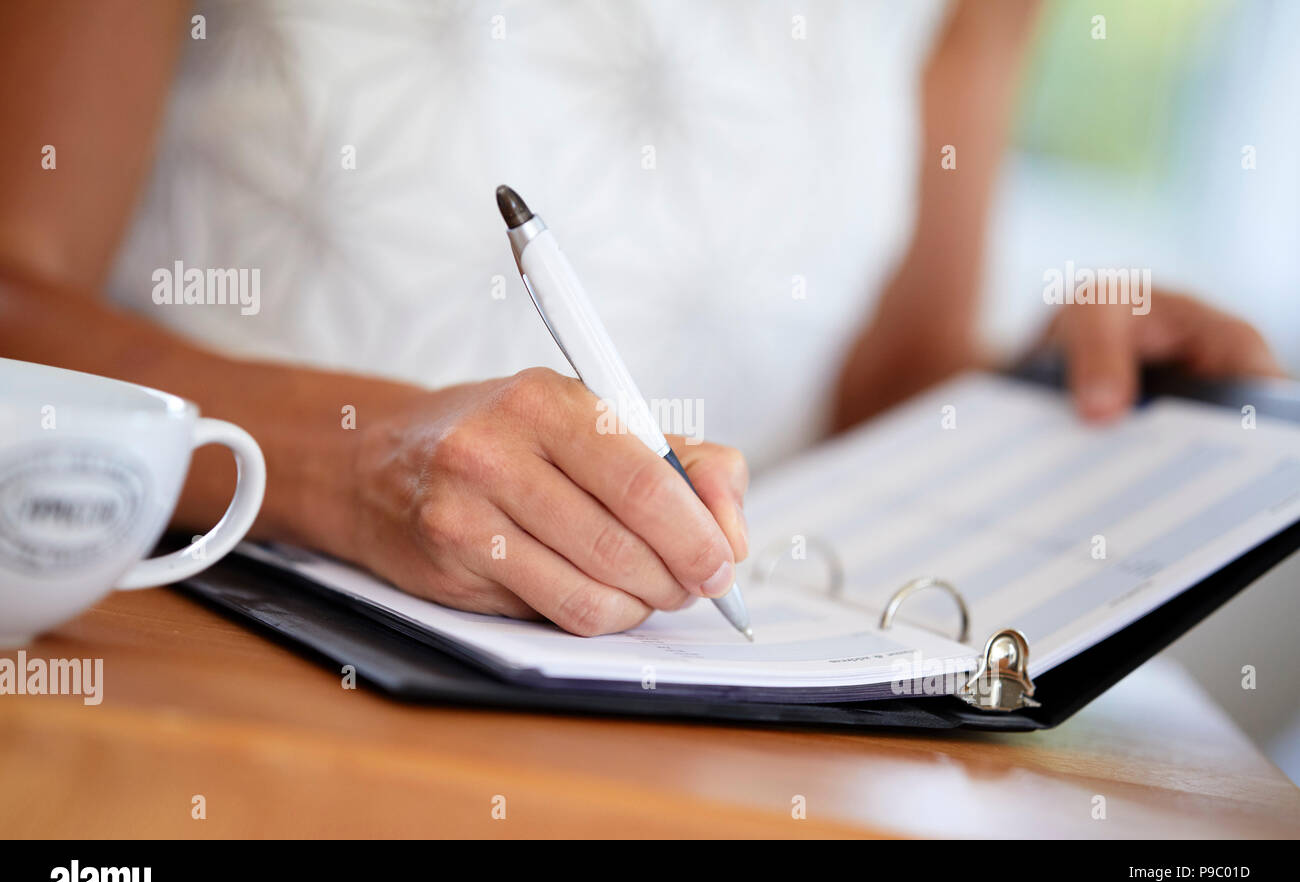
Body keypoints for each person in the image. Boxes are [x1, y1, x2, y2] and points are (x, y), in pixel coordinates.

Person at [0, 0, 1282, 636]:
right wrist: (345, 456)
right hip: (201, 641)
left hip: (692, 722)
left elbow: (885, 378)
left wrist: (1049, 392)